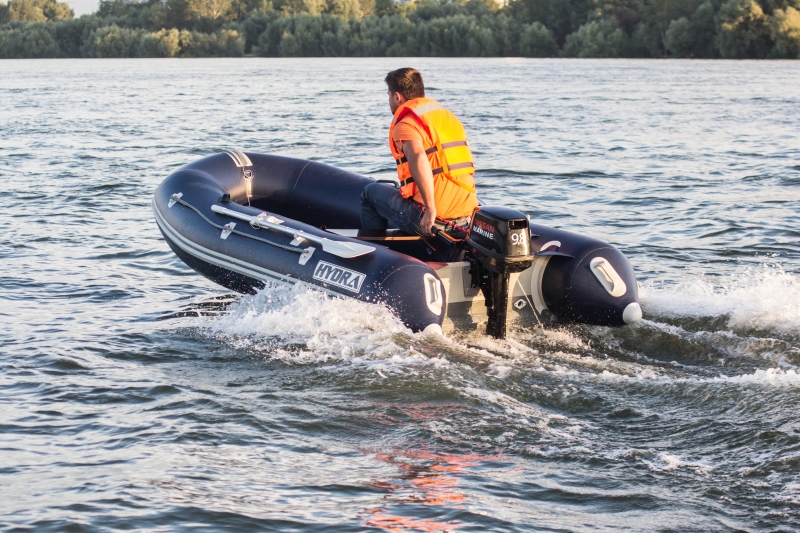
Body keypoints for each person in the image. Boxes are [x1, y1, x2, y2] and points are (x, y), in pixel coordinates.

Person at [360, 68, 479, 237]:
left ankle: (376, 254)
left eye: (388, 95)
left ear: (397, 97)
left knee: (370, 193)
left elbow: (418, 157)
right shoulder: (449, 119)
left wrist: (430, 209)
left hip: (432, 219)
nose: (388, 100)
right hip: (466, 217)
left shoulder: (406, 124)